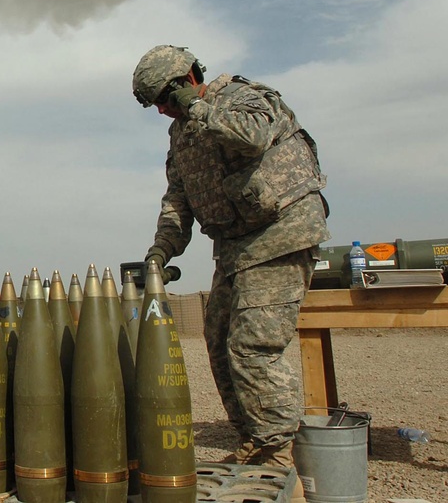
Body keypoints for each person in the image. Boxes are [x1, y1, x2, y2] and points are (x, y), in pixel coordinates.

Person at [132, 45, 329, 500]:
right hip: (236, 247)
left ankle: (278, 454)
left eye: (164, 98)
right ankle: (255, 442)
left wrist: (197, 108)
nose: (162, 110)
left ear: (185, 80)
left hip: (282, 234)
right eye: (155, 105)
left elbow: (253, 137)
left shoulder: (240, 98)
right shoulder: (182, 134)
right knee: (219, 339)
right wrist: (161, 249)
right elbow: (178, 199)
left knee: (253, 345)